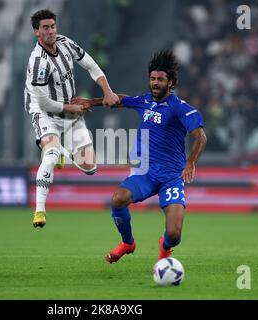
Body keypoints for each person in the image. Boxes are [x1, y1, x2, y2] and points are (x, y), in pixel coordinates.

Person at [72, 50, 207, 263]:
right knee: (118, 199)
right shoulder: (144, 101)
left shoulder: (181, 108)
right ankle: (127, 243)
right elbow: (121, 100)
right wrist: (91, 101)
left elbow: (201, 137)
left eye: (160, 79)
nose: (155, 83)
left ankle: (165, 247)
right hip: (145, 173)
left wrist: (190, 164)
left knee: (174, 234)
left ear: (170, 82)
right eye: (152, 78)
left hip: (171, 177)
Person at [25, 9, 119, 228]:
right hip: (44, 112)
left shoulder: (65, 43)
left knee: (90, 167)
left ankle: (62, 153)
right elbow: (45, 103)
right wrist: (75, 107)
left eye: (52, 26)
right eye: (45, 28)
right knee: (50, 153)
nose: (50, 31)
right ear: (36, 32)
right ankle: (40, 211)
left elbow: (90, 64)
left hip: (69, 110)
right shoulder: (38, 62)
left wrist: (107, 91)